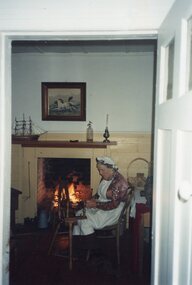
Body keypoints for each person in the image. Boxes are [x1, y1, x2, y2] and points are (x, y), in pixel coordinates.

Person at [73, 156, 130, 240]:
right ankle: (78, 243)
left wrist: (95, 204)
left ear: (111, 169)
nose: (100, 173)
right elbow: (99, 194)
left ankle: (90, 246)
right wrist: (92, 199)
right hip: (103, 206)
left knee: (84, 220)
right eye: (99, 170)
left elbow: (114, 204)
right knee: (79, 213)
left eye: (102, 170)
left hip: (113, 212)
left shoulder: (119, 182)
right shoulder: (106, 177)